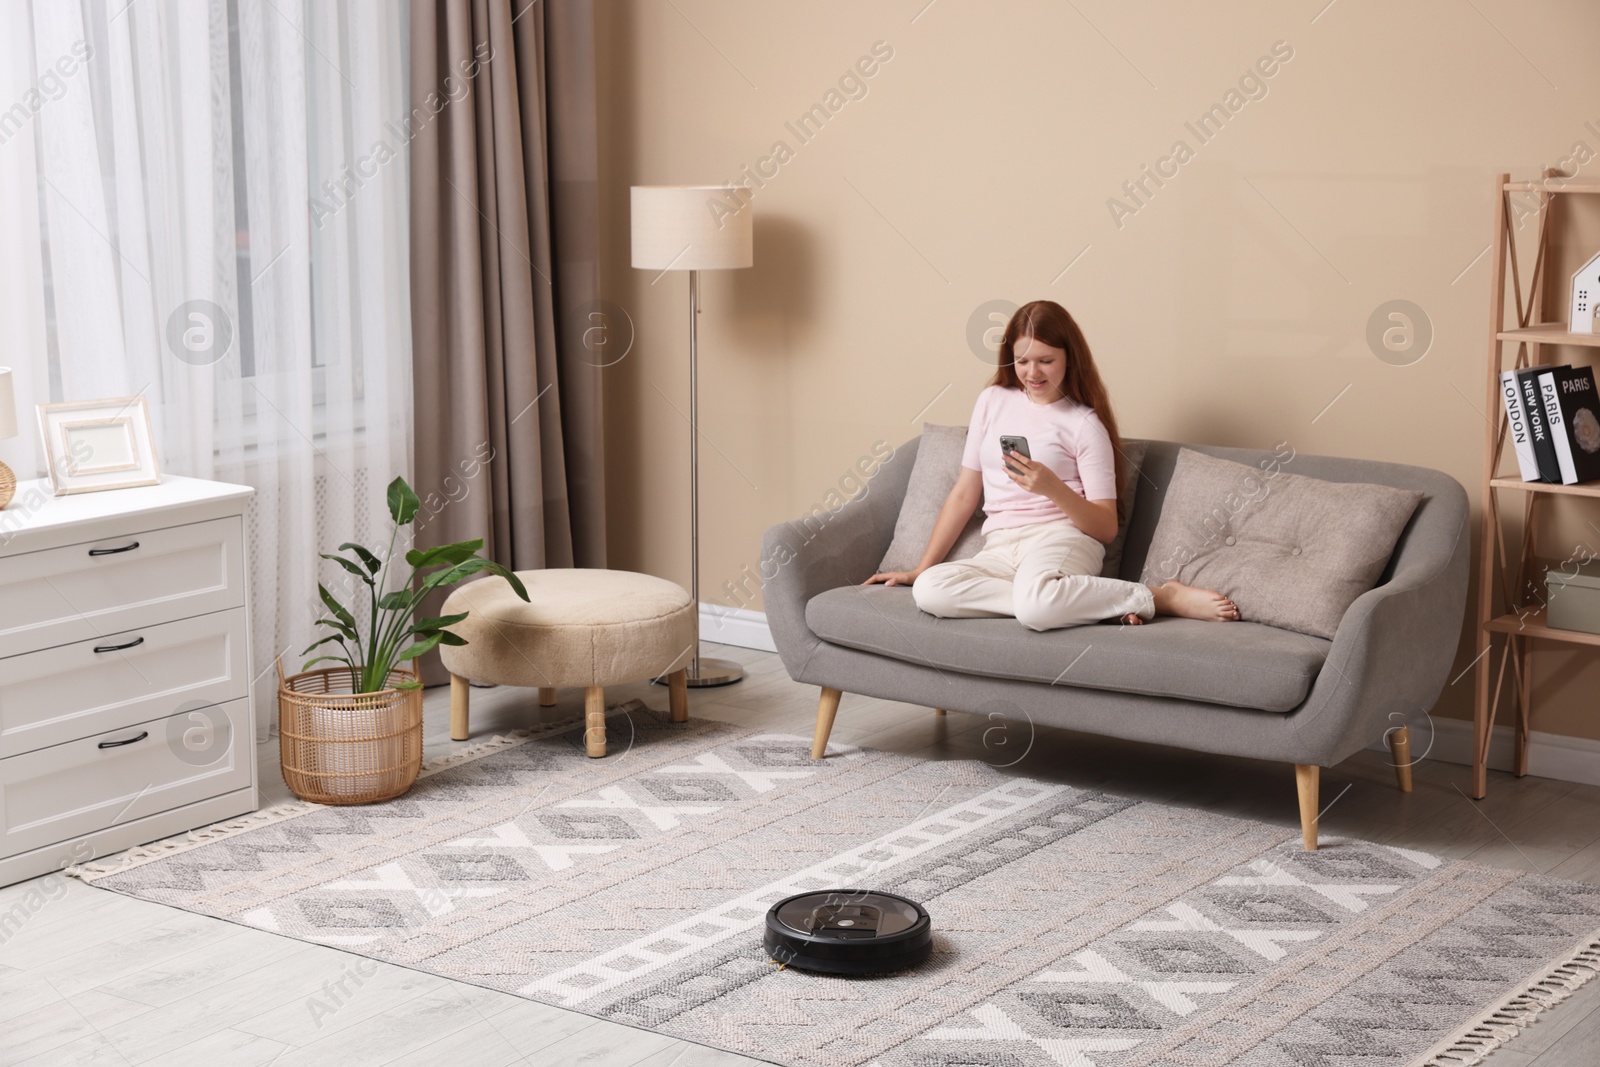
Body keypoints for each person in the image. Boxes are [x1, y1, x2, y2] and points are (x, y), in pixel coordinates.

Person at [864, 300, 1239, 629]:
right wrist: (920, 569)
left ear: (1068, 358)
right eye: (1023, 361)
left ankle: (1161, 597)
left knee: (1036, 604)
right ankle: (1078, 604)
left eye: (1046, 361)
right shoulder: (992, 401)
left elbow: (1106, 527)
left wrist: (1051, 488)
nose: (1033, 373)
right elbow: (965, 493)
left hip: (1063, 539)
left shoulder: (1084, 423)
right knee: (931, 590)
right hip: (1001, 547)